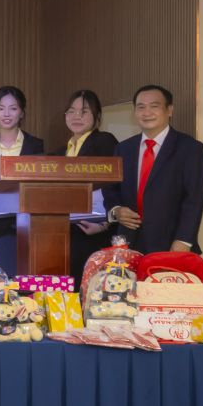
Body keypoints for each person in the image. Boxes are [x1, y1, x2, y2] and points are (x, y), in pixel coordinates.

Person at [104, 84, 203, 254]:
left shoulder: (190, 148)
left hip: (171, 244)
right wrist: (116, 210)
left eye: (154, 106)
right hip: (127, 243)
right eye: (141, 107)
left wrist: (183, 240)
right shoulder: (123, 148)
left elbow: (194, 198)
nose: (147, 112)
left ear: (170, 110)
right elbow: (111, 189)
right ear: (134, 112)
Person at [0, 85, 45, 275]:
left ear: (22, 112)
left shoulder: (35, 144)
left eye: (13, 108)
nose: (6, 114)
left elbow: (40, 186)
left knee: (26, 277)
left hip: (27, 224)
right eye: (0, 108)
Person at [60, 89, 120, 282]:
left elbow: (115, 185)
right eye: (71, 111)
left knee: (90, 288)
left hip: (93, 232)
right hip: (66, 233)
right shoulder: (61, 151)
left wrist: (105, 224)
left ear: (97, 116)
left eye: (84, 111)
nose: (76, 116)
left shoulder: (104, 141)